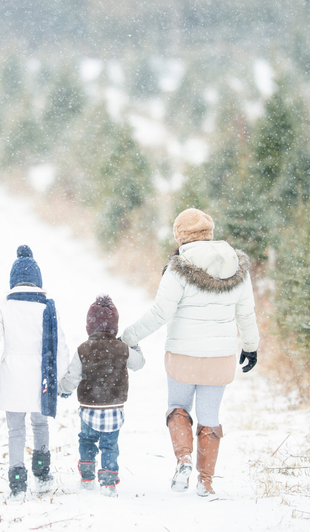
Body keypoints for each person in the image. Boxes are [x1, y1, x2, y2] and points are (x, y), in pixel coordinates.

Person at [119, 208, 259, 496]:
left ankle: (183, 461)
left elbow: (160, 313)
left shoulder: (178, 268)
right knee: (210, 417)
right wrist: (251, 347)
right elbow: (247, 314)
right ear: (209, 233)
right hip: (220, 359)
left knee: (178, 409)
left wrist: (128, 337)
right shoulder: (237, 267)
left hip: (183, 356)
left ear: (180, 237)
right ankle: (205, 481)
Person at [0, 245, 70, 501]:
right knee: (40, 423)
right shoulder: (48, 309)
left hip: (12, 379)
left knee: (15, 430)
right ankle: (42, 476)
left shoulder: (4, 308)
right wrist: (64, 380)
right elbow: (60, 347)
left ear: (13, 282)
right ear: (38, 281)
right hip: (41, 378)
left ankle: (17, 482)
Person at [58, 295, 145, 497]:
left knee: (86, 439)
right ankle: (108, 480)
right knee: (110, 444)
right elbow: (139, 364)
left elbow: (72, 377)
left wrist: (63, 390)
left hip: (89, 407)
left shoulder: (83, 349)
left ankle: (87, 475)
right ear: (115, 326)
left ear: (89, 326)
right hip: (114, 408)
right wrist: (133, 344)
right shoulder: (122, 348)